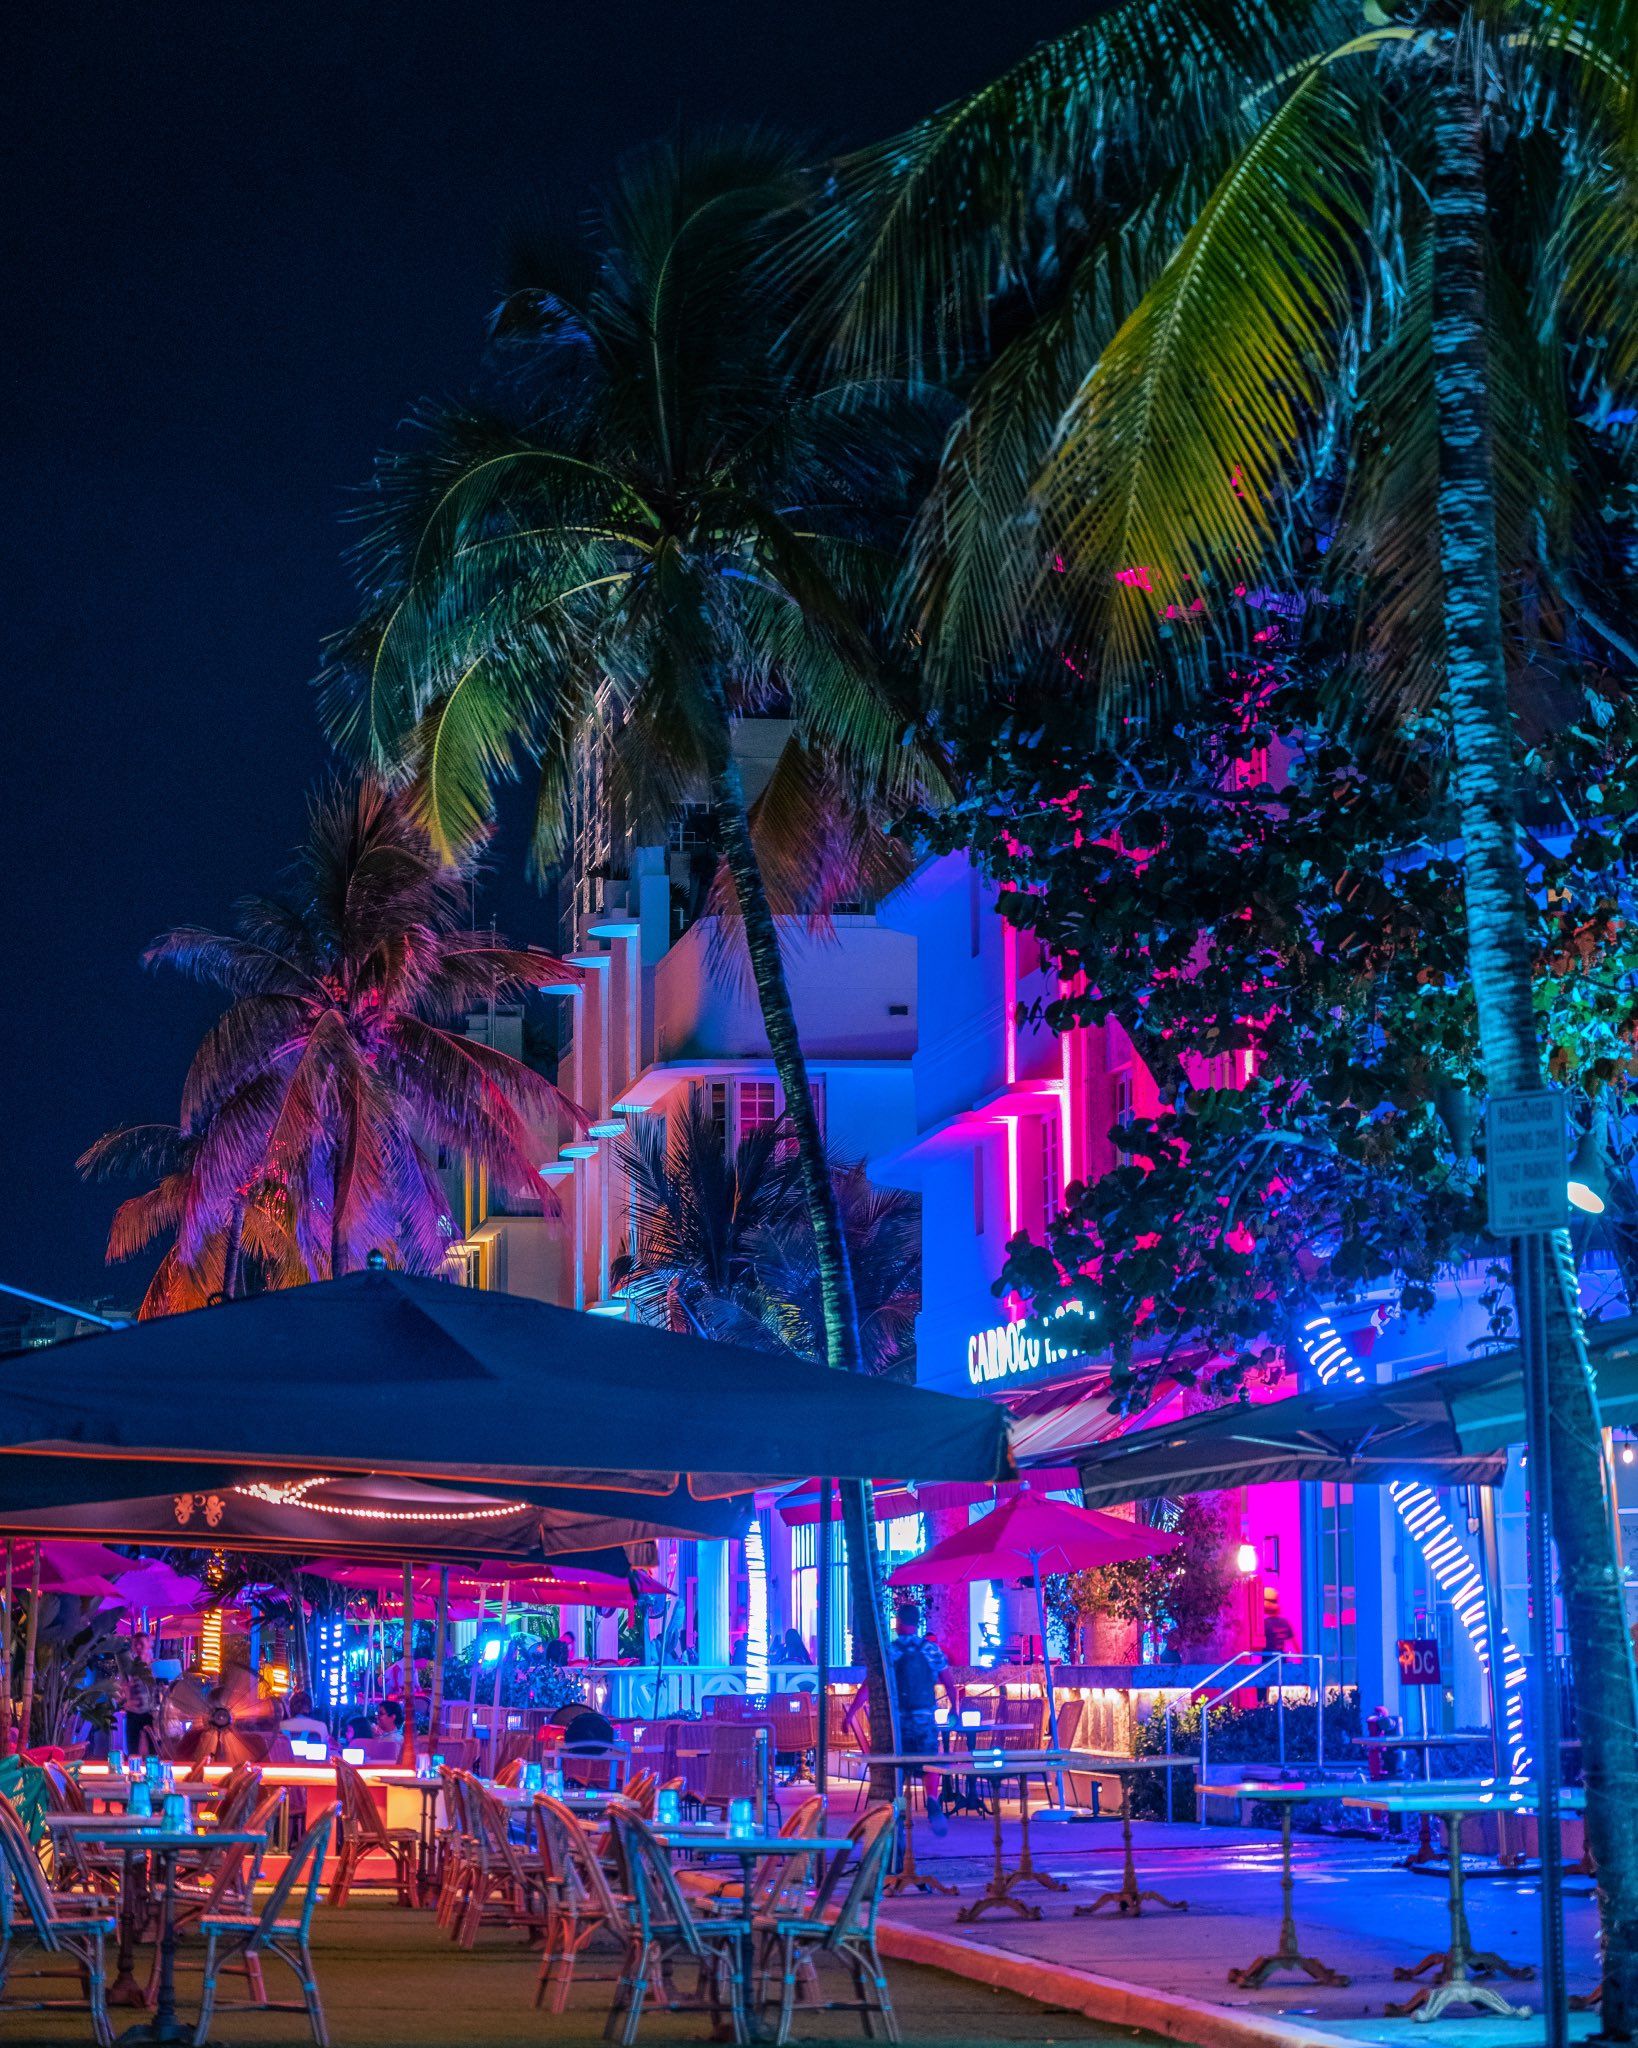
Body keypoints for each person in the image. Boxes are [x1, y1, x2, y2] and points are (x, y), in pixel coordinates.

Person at [886, 1602, 957, 1835]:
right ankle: (932, 1799)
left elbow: (871, 1684)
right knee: (931, 1760)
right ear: (917, 1623)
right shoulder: (930, 1649)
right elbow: (948, 1680)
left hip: (899, 1719)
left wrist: (853, 1710)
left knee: (897, 1767)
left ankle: (900, 1809)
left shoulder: (892, 1650)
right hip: (925, 1715)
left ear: (898, 1622)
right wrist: (954, 1707)